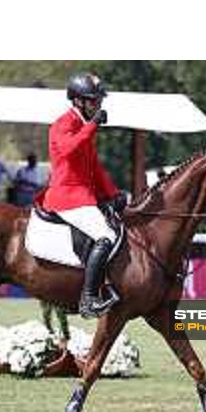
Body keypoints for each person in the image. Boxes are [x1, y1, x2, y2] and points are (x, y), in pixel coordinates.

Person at [35, 73, 127, 319]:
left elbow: (94, 166)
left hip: (83, 196)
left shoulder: (83, 126)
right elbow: (67, 151)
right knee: (106, 236)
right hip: (66, 197)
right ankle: (88, 299)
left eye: (98, 101)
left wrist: (113, 193)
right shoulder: (63, 123)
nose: (98, 105)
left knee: (116, 228)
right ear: (78, 101)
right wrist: (92, 125)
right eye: (93, 101)